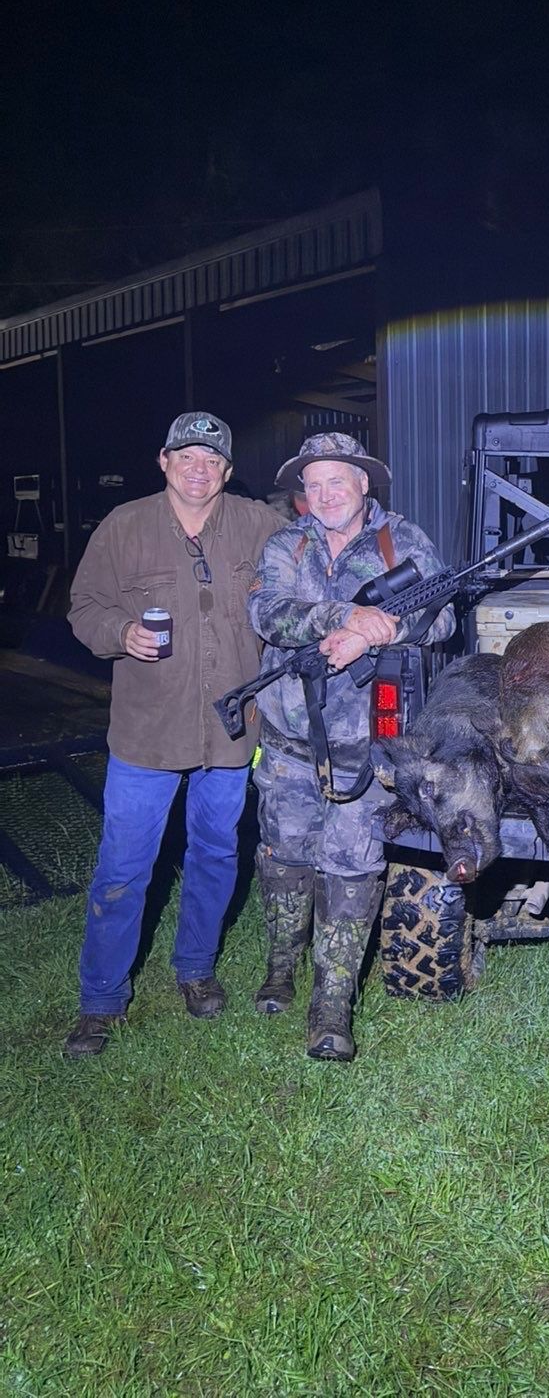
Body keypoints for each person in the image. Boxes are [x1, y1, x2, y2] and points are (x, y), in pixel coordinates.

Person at [65, 412, 287, 1056]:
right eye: (185, 456)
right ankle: (101, 999)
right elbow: (85, 607)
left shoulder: (258, 525)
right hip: (147, 733)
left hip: (230, 731)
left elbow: (315, 561)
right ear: (163, 461)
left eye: (211, 459)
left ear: (226, 470)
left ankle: (195, 969)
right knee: (122, 868)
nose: (198, 468)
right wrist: (119, 634)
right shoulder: (123, 527)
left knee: (216, 855)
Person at [248, 432, 455, 1062]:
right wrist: (344, 618)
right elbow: (269, 613)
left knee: (353, 864)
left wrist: (383, 629)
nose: (324, 494)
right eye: (312, 485)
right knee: (284, 856)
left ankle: (331, 1003)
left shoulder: (402, 542)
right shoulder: (287, 542)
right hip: (286, 742)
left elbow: (442, 615)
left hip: (369, 748)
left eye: (337, 481)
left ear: (365, 485)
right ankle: (281, 966)